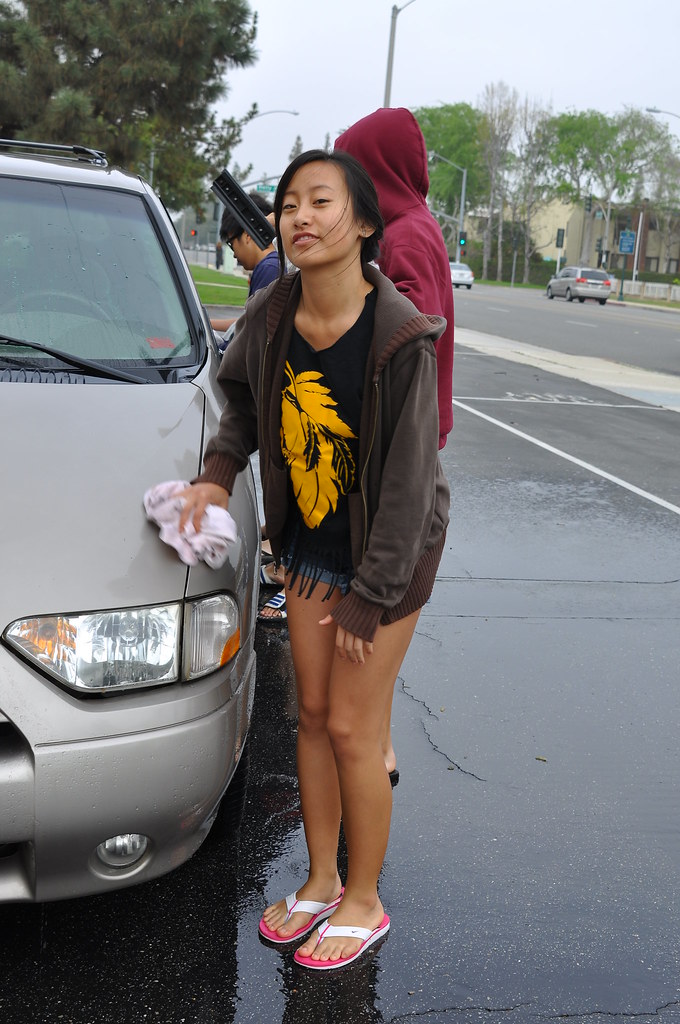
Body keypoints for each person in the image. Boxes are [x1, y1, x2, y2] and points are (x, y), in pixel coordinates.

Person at [178, 149, 449, 969]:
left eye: (320, 202)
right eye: (290, 203)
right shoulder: (273, 313)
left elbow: (406, 487)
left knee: (358, 734)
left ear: (362, 223)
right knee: (312, 721)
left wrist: (371, 596)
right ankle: (323, 879)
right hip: (307, 550)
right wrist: (217, 476)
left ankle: (365, 901)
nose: (299, 216)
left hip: (389, 562)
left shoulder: (400, 336)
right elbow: (244, 404)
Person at [335, 106, 455, 782]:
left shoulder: (406, 237)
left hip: (402, 453)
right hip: (411, 439)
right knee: (371, 689)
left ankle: (370, 773)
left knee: (368, 666)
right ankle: (376, 760)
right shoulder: (413, 230)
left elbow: (406, 329)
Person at [209, 192, 280, 334]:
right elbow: (247, 321)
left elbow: (252, 334)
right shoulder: (272, 264)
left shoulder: (269, 268)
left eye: (231, 243)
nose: (234, 254)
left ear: (247, 234)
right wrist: (207, 323)